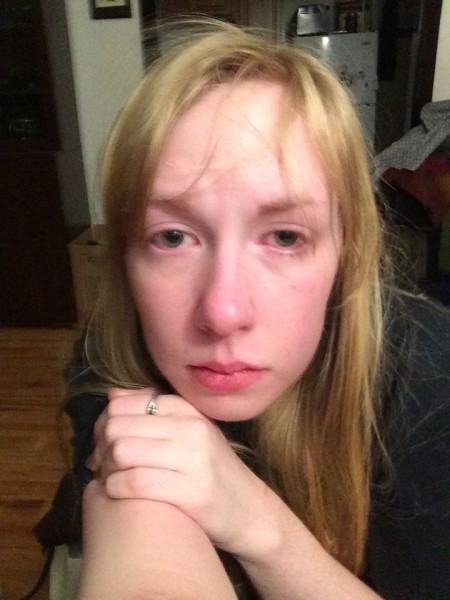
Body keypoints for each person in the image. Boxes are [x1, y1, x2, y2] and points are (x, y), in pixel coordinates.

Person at [63, 19, 450, 600]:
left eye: (286, 237)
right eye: (172, 237)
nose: (222, 313)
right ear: (125, 257)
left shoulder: (431, 370)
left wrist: (257, 524)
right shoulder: (111, 351)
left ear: (346, 252)